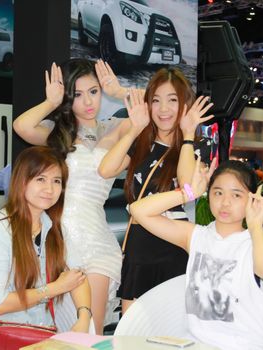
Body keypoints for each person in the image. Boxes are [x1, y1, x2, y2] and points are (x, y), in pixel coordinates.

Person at [12, 58, 130, 334]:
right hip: (58, 241)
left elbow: (152, 112)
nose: (88, 102)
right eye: (77, 94)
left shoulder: (115, 128)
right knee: (61, 330)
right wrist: (50, 102)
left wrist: (120, 92)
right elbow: (22, 126)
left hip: (97, 241)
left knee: (92, 330)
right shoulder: (57, 133)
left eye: (94, 91)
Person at [130, 159, 263, 350]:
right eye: (218, 193)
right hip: (196, 345)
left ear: (251, 199)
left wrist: (255, 227)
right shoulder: (196, 236)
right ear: (209, 195)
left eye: (236, 195)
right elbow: (139, 211)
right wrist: (188, 193)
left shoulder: (258, 242)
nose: (225, 202)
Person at [98, 67, 214, 314]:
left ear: (184, 105)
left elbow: (187, 186)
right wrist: (134, 129)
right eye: (156, 100)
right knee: (131, 330)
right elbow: (106, 170)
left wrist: (188, 135)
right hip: (139, 245)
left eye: (173, 100)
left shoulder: (194, 147)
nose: (163, 109)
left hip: (171, 242)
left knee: (168, 329)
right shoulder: (142, 143)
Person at [0, 146, 91, 349]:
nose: (49, 189)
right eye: (40, 179)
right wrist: (55, 288)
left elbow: (78, 276)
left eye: (56, 181)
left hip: (39, 335)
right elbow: (0, 304)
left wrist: (84, 316)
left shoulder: (55, 229)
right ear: (22, 181)